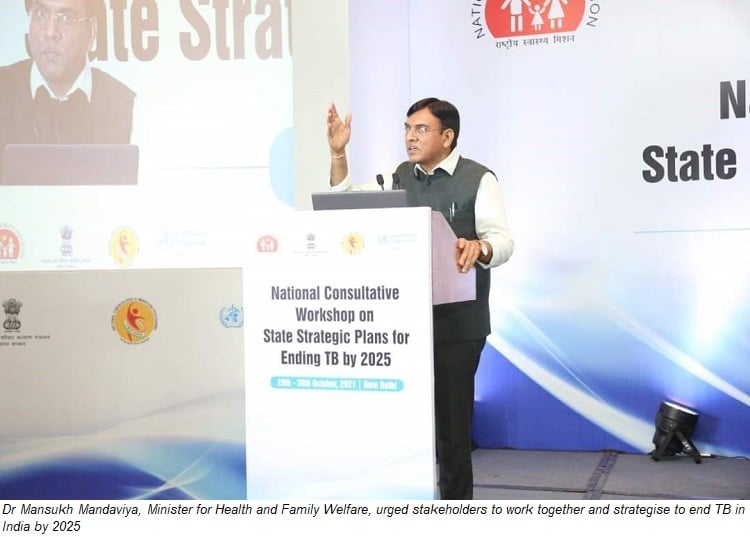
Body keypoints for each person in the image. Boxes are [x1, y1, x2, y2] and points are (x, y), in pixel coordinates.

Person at [326, 97, 514, 499]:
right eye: (407, 129)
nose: (410, 137)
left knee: (451, 429)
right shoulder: (398, 178)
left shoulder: (479, 179)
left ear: (447, 137)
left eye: (421, 129)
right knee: (406, 426)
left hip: (458, 324)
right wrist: (339, 154)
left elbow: (502, 241)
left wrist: (479, 247)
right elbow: (345, 203)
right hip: (403, 322)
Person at [0, 0, 135, 172]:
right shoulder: (4, 88)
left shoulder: (125, 103)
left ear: (91, 31)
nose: (50, 32)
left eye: (66, 18)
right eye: (41, 14)